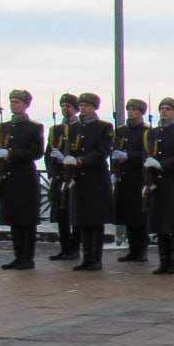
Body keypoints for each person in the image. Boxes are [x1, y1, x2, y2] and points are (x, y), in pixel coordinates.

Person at [62, 92, 115, 271]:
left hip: (96, 180)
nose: (83, 108)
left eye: (87, 105)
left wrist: (80, 161)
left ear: (94, 107)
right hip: (79, 180)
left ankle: (96, 258)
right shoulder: (74, 128)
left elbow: (103, 152)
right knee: (82, 220)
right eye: (82, 105)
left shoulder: (104, 127)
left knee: (95, 221)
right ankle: (86, 258)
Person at [0, 89, 44, 270]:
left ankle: (27, 258)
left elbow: (36, 152)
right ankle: (17, 256)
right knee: (13, 219)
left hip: (25, 178)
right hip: (8, 178)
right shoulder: (3, 127)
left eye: (17, 102)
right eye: (12, 101)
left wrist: (12, 154)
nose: (13, 104)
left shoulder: (34, 127)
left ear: (25, 104)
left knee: (26, 221)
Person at [144, 98, 174, 274]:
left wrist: (163, 164)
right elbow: (147, 156)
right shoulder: (152, 133)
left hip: (173, 182)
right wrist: (147, 181)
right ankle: (163, 261)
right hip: (157, 183)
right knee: (160, 223)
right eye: (162, 108)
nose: (164, 111)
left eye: (168, 109)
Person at [112, 98, 151, 262]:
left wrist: (129, 156)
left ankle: (141, 250)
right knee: (127, 215)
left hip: (138, 178)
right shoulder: (121, 131)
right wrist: (113, 171)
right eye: (129, 109)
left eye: (135, 110)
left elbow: (147, 153)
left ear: (141, 112)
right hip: (123, 178)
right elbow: (114, 153)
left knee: (139, 216)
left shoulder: (146, 131)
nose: (131, 112)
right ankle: (132, 249)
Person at [46, 93, 81, 261]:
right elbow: (48, 154)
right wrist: (52, 173)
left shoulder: (79, 127)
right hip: (59, 177)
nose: (65, 109)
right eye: (63, 106)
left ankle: (74, 247)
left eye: (68, 106)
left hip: (74, 176)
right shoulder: (56, 130)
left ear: (75, 109)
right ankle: (65, 247)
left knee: (75, 214)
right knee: (62, 215)